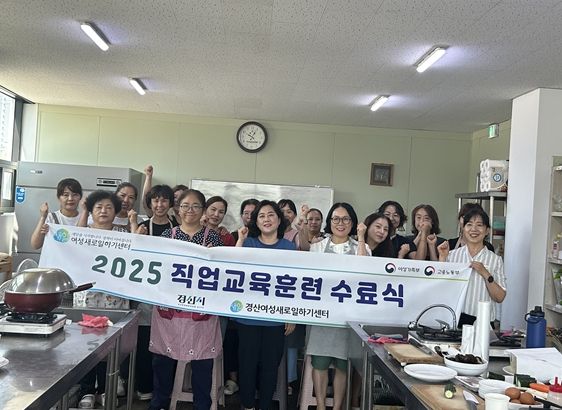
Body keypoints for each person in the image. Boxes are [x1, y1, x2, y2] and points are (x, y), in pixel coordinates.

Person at [149, 189, 223, 410]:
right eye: (185, 206)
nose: (190, 210)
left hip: (201, 309)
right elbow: (157, 267)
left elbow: (222, 273)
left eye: (195, 206)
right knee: (162, 361)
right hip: (170, 308)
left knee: (202, 362)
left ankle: (202, 405)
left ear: (203, 210)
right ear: (177, 209)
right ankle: (159, 403)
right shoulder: (168, 236)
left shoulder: (213, 238)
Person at [305, 202, 369, 410]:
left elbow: (365, 269)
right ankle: (321, 406)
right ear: (329, 221)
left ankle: (338, 406)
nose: (340, 223)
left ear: (353, 222)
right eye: (336, 219)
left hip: (349, 316)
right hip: (322, 314)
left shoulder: (361, 247)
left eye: (346, 219)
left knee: (343, 364)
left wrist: (361, 238)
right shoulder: (317, 247)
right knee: (320, 363)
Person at [235, 200, 296, 410]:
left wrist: (291, 314)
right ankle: (247, 405)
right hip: (248, 316)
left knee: (270, 366)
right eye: (261, 216)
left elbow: (294, 284)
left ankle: (265, 405)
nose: (266, 219)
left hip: (276, 318)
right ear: (256, 221)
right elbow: (232, 268)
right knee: (247, 365)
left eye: (271, 215)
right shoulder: (248, 243)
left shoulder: (289, 247)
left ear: (279, 220)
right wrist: (240, 240)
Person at [77, 190, 130, 409]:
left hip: (114, 297)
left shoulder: (125, 235)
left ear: (116, 211)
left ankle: (106, 389)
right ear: (91, 210)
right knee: (86, 345)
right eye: (98, 207)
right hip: (89, 297)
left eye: (109, 207)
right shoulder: (82, 233)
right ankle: (87, 390)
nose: (103, 211)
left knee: (109, 346)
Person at [133, 184, 177, 401]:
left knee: (167, 343)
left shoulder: (177, 228)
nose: (160, 205)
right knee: (144, 341)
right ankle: (144, 386)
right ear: (150, 203)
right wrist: (136, 238)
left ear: (170, 203)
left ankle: (166, 389)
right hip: (146, 293)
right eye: (155, 200)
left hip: (170, 292)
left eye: (164, 200)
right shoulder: (142, 227)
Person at [438, 207, 507, 327]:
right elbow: (440, 287)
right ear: (463, 228)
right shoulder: (452, 255)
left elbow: (500, 297)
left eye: (479, 225)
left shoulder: (495, 260)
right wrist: (442, 258)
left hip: (483, 321)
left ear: (487, 230)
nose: (474, 229)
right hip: (455, 319)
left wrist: (485, 273)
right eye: (469, 224)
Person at [30, 178, 83, 249]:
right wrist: (43, 218)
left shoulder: (86, 219)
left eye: (75, 195)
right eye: (66, 195)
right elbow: (35, 245)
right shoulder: (50, 218)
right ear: (58, 197)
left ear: (80, 197)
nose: (70, 198)